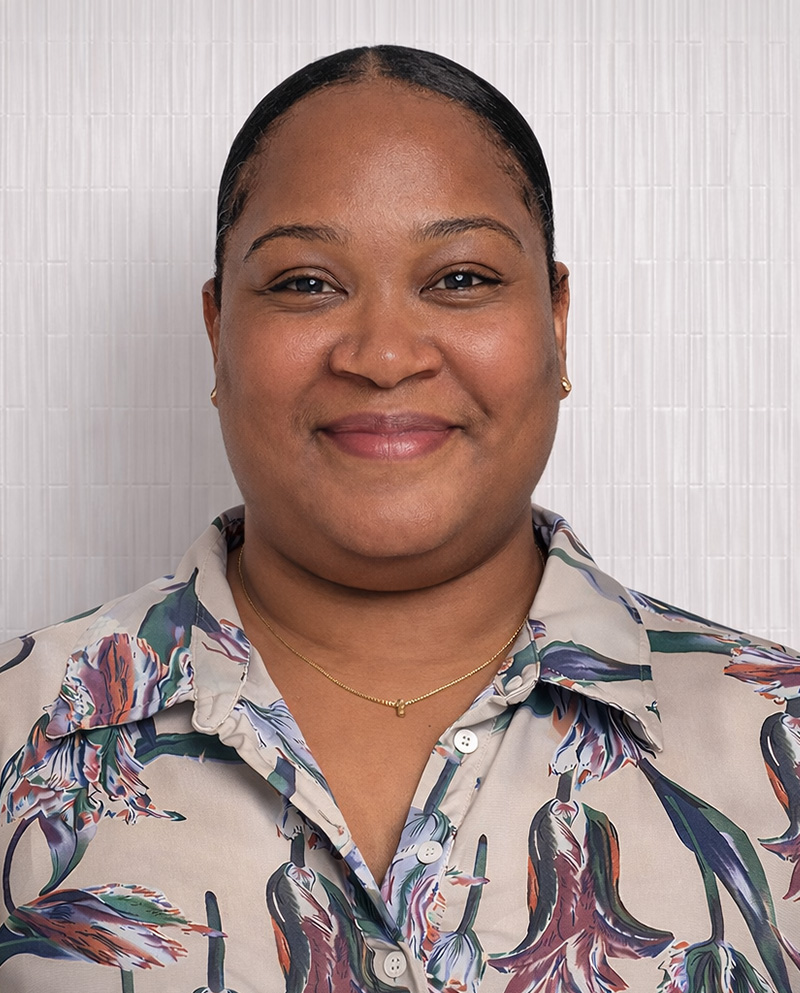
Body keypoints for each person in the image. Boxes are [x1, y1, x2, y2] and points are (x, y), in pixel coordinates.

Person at [0, 44, 798, 993]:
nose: (382, 355)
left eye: (459, 278)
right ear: (218, 334)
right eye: (305, 282)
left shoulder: (779, 738)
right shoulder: (21, 736)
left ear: (557, 318)